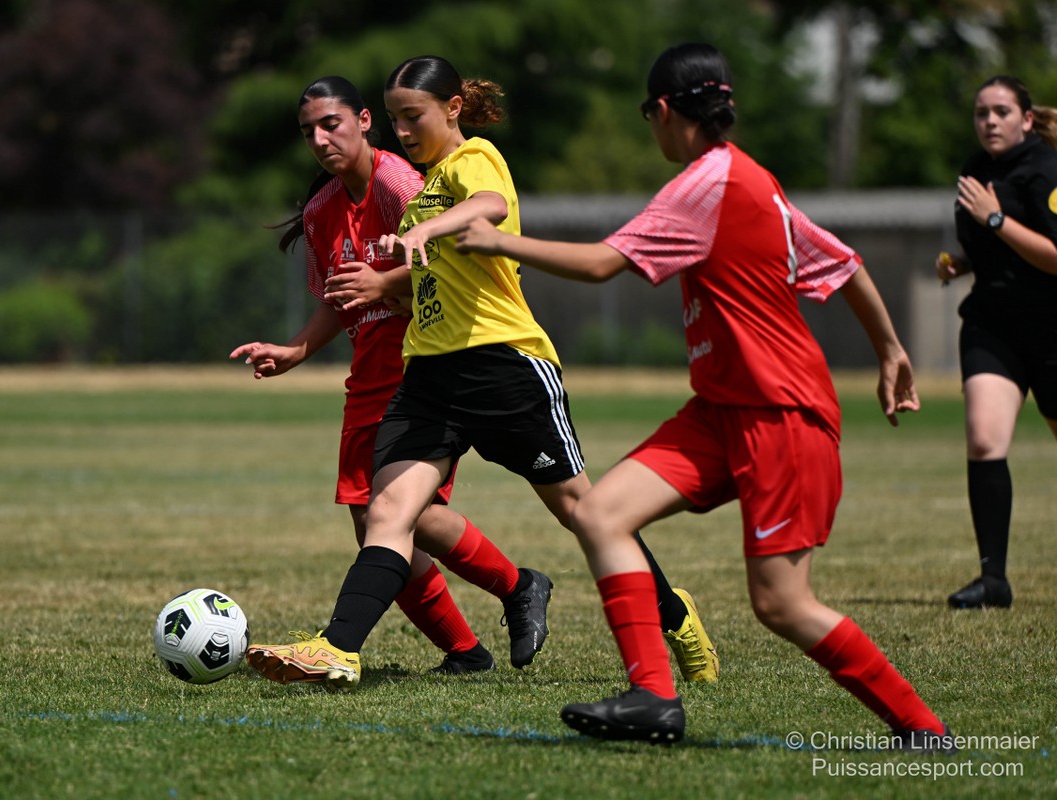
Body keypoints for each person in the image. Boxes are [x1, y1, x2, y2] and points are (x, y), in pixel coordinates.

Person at [455, 42, 953, 751]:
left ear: (663, 111)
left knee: (782, 604)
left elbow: (600, 264)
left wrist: (499, 242)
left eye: (646, 116)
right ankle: (654, 699)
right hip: (721, 413)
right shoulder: (753, 179)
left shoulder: (709, 181)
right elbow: (844, 264)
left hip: (780, 413)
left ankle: (923, 728)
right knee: (600, 513)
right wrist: (891, 349)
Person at [246, 55, 717, 690]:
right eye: (396, 119)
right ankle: (338, 648)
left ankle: (675, 616)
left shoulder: (474, 159)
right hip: (429, 374)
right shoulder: (421, 192)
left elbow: (490, 206)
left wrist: (426, 233)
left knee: (584, 512)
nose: (403, 131)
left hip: (501, 364)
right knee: (387, 512)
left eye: (413, 117)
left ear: (453, 109)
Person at [230, 75, 553, 678]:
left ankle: (504, 600)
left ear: (363, 121)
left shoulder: (399, 182)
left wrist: (383, 283)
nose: (320, 140)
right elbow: (339, 298)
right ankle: (476, 638)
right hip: (368, 369)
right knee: (383, 520)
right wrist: (296, 350)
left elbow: (447, 260)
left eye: (331, 124)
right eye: (308, 132)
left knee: (397, 516)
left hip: (419, 360)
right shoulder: (323, 208)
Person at [936, 75, 1057, 610]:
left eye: (1001, 111)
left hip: (1052, 328)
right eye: (981, 112)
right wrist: (962, 262)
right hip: (993, 325)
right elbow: (996, 248)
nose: (989, 121)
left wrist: (996, 218)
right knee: (985, 441)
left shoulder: (1047, 170)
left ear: (1027, 119)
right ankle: (993, 580)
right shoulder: (975, 169)